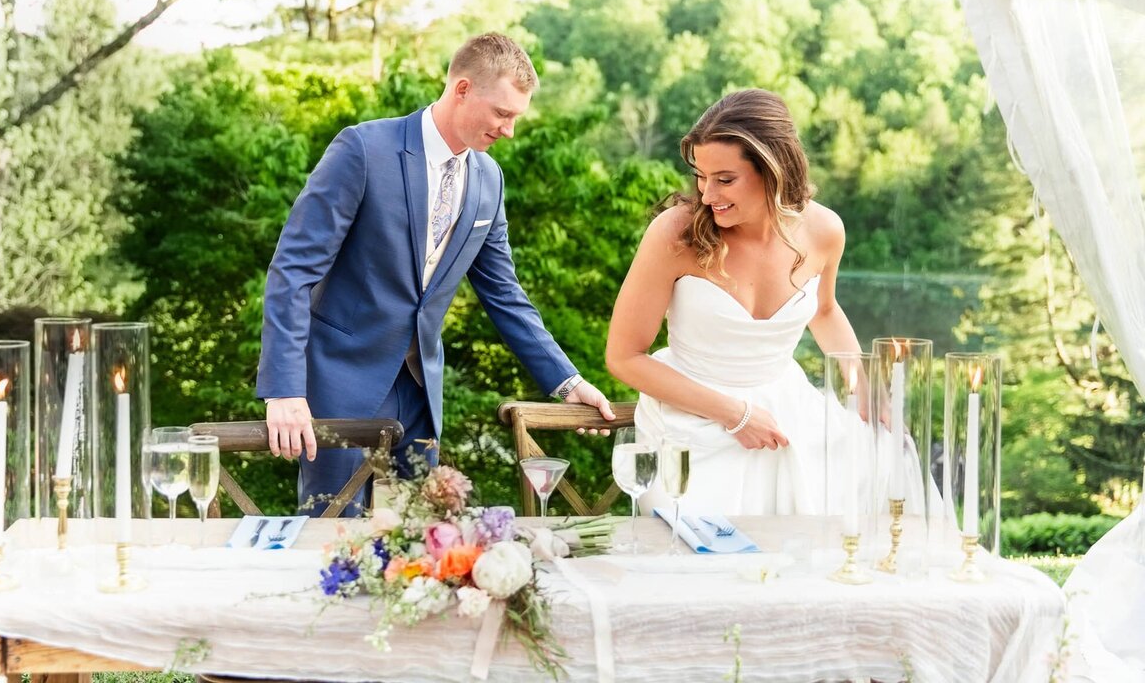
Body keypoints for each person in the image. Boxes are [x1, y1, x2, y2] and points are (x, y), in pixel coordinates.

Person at [257, 33, 615, 513]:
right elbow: (293, 271)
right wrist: (283, 389)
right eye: (502, 114)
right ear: (463, 89)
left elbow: (505, 295)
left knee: (428, 540)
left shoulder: (489, 180)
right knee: (331, 534)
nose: (509, 131)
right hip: (339, 385)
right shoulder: (363, 149)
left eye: (516, 118)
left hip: (421, 392)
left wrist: (568, 383)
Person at [606, 89, 920, 517]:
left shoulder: (824, 230)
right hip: (690, 423)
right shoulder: (675, 235)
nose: (707, 194)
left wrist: (864, 388)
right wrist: (734, 415)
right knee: (704, 548)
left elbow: (824, 311)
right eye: (700, 176)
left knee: (880, 467)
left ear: (773, 170)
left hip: (788, 411)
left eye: (725, 179)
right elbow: (625, 358)